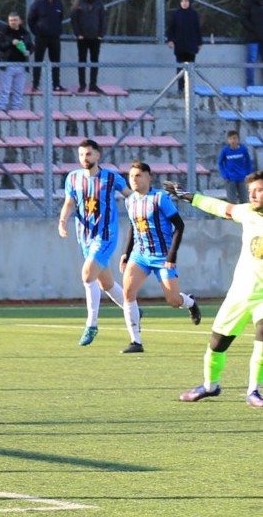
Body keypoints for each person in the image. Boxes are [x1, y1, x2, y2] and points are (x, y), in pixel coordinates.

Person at [167, 173, 263, 407]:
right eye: (251, 190)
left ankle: (254, 390)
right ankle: (210, 386)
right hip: (241, 292)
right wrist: (188, 196)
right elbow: (219, 206)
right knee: (217, 344)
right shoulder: (247, 213)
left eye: (258, 190)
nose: (252, 194)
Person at [117, 161, 201, 353]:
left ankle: (190, 302)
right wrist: (126, 253)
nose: (134, 180)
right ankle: (135, 341)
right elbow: (134, 227)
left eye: (138, 176)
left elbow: (179, 226)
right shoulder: (130, 200)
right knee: (128, 293)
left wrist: (172, 256)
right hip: (140, 255)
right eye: (131, 177)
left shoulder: (160, 198)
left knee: (173, 300)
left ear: (148, 177)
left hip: (162, 257)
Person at [57, 139, 132, 346]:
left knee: (87, 274)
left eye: (88, 154)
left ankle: (91, 324)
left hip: (106, 235)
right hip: (85, 237)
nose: (84, 158)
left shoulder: (110, 178)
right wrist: (62, 222)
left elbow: (130, 196)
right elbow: (69, 203)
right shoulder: (72, 178)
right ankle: (131, 308)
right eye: (81, 155)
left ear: (98, 155)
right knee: (104, 283)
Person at [27, 0, 66, 93]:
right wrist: (36, 32)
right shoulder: (37, 3)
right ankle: (35, 84)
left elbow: (60, 17)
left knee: (56, 62)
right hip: (41, 37)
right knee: (38, 60)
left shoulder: (58, 3)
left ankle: (56, 85)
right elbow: (30, 19)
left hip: (54, 37)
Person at [70, 0, 107, 93]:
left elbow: (104, 20)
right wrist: (78, 34)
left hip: (95, 38)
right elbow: (73, 20)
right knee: (82, 61)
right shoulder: (78, 3)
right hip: (82, 38)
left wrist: (101, 35)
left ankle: (93, 85)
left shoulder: (100, 4)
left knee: (94, 62)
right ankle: (82, 85)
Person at [0, 11, 32, 110]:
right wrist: (10, 42)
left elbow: (31, 46)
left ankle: (16, 108)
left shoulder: (25, 33)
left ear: (20, 21)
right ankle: (1, 107)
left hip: (21, 65)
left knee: (19, 90)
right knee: (5, 89)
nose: (13, 22)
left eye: (15, 20)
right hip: (7, 64)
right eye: (11, 20)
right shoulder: (3, 32)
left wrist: (28, 52)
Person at [165, 0, 203, 66]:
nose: (184, 3)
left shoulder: (194, 14)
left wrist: (199, 42)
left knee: (190, 67)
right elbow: (171, 28)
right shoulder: (176, 14)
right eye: (182, 1)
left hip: (191, 46)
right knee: (180, 67)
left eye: (186, 1)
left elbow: (197, 29)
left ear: (189, 3)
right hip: (180, 46)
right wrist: (170, 40)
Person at [219, 130, 255, 203]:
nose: (233, 141)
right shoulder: (225, 150)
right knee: (232, 201)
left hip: (242, 178)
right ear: (228, 140)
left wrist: (249, 173)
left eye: (234, 138)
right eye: (230, 139)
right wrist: (225, 175)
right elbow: (220, 163)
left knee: (244, 199)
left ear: (238, 140)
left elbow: (249, 161)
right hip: (230, 178)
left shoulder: (243, 149)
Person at [242, 0, 263, 88]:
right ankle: (250, 84)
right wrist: (253, 30)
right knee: (251, 60)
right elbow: (244, 19)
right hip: (253, 37)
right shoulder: (249, 2)